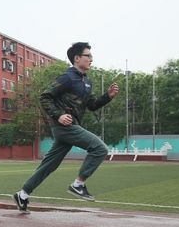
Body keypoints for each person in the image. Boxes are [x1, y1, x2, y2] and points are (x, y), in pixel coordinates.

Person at [13, 42, 119, 212]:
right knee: (100, 148)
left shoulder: (86, 82)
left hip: (71, 127)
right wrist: (59, 115)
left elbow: (92, 105)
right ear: (77, 58)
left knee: (49, 164)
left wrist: (108, 96)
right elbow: (45, 97)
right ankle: (78, 184)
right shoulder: (67, 77)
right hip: (64, 126)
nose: (91, 59)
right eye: (88, 56)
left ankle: (22, 194)